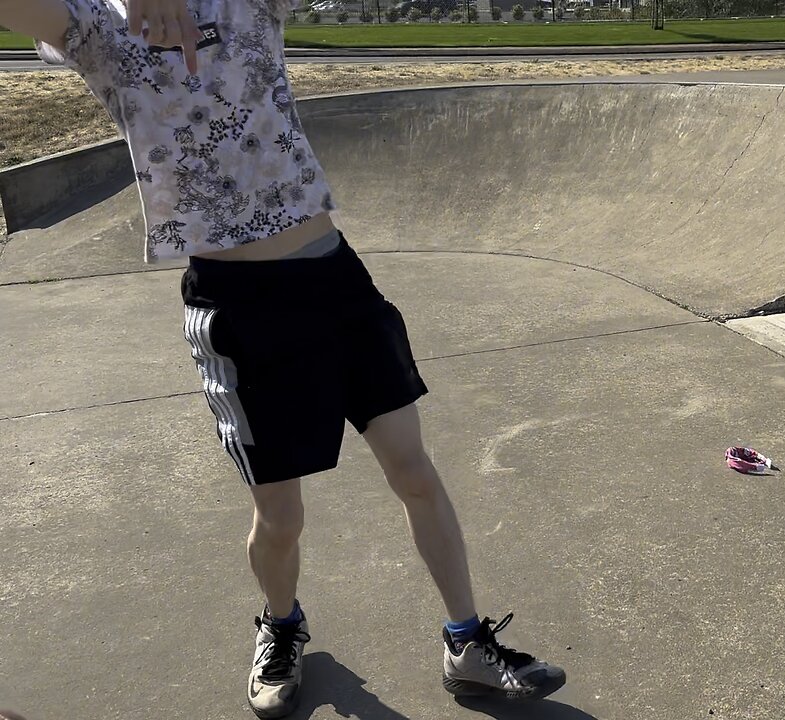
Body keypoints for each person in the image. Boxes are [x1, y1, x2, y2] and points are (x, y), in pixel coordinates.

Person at [0, 1, 565, 717]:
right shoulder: (100, 26)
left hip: (334, 276)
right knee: (281, 517)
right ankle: (281, 625)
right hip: (239, 307)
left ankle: (467, 644)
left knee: (415, 472)